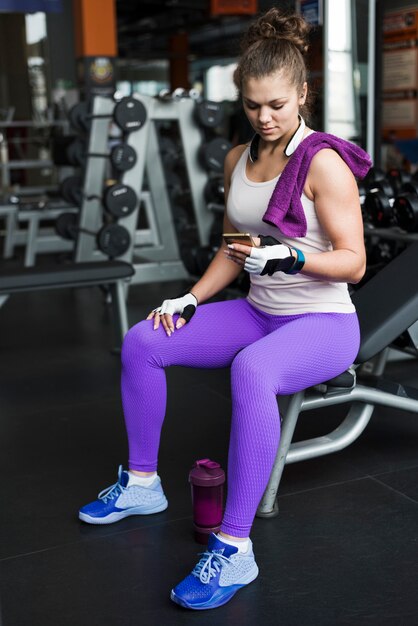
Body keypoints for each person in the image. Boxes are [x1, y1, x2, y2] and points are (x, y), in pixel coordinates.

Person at [79, 8, 371, 611]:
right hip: (258, 311)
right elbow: (233, 251)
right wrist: (188, 299)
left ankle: (234, 548)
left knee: (253, 371)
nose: (264, 119)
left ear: (303, 97)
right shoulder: (238, 158)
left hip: (324, 323)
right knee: (144, 339)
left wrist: (291, 257)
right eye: (253, 105)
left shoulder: (323, 163)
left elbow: (353, 262)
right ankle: (141, 484)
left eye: (277, 107)